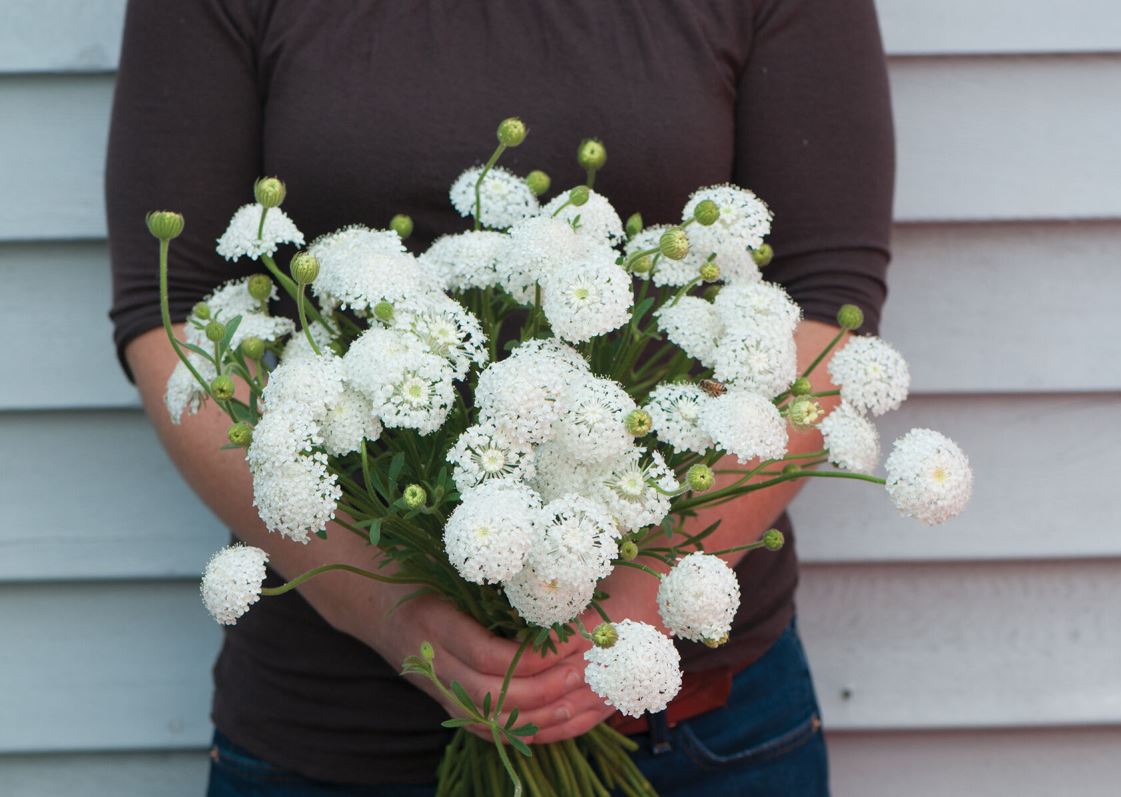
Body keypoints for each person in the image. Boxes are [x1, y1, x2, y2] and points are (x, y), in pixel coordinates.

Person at [106, 1, 894, 794]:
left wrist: (625, 616)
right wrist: (388, 608)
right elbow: (174, 314)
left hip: (687, 726)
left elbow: (823, 298)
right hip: (332, 725)